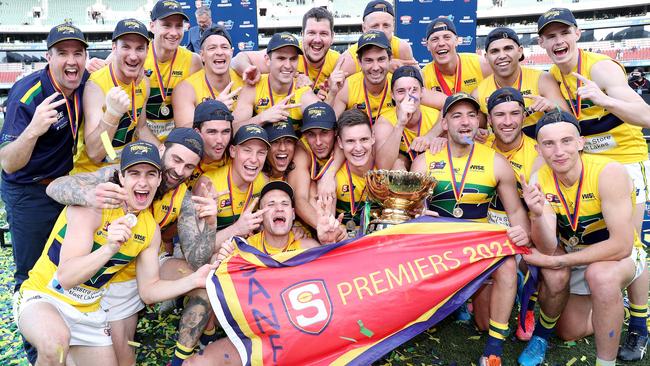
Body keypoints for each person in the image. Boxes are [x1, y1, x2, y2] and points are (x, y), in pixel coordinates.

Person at [13, 140, 216, 365]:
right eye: (134, 173)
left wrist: (193, 280)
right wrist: (109, 248)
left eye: (150, 174)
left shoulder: (150, 229)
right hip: (46, 296)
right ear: (121, 177)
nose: (143, 181)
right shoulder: (94, 206)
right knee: (55, 344)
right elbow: (66, 278)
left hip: (89, 312)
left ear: (159, 179)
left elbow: (149, 291)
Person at [537, 8, 650, 360]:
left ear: (577, 34)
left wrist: (605, 100)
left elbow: (646, 115)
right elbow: (563, 128)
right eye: (550, 36)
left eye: (563, 33)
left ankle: (639, 324)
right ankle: (600, 302)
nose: (558, 41)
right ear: (542, 42)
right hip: (588, 159)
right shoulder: (550, 78)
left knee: (629, 246)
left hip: (627, 159)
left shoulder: (600, 67)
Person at [517, 110, 647, 366]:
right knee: (568, 331)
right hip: (575, 254)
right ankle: (603, 308)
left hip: (616, 256)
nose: (559, 151)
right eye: (549, 144)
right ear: (539, 149)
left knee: (600, 276)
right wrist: (535, 215)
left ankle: (606, 360)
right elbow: (548, 246)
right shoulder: (539, 177)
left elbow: (621, 245)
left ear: (580, 143)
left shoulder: (608, 172)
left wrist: (558, 262)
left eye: (566, 141)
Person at [410, 93, 530, 365]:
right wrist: (416, 213)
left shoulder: (496, 161)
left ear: (479, 121)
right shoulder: (425, 161)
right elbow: (411, 213)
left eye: (471, 115)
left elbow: (515, 212)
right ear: (444, 123)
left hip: (478, 243)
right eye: (456, 116)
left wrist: (522, 231)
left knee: (506, 269)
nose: (465, 123)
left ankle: (493, 349)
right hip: (438, 244)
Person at [0, 23, 89, 364]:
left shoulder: (83, 80)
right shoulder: (27, 94)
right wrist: (34, 130)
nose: (71, 61)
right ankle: (38, 348)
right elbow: (8, 163)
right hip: (28, 189)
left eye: (78, 53)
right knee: (31, 268)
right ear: (47, 57)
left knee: (66, 260)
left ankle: (68, 327)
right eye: (62, 53)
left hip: (63, 184)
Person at [182, 180, 343, 366]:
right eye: (270, 205)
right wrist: (220, 264)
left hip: (301, 337)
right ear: (260, 216)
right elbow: (218, 290)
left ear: (293, 214)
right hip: (254, 340)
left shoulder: (308, 248)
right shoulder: (242, 249)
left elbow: (333, 288)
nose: (279, 209)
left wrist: (329, 245)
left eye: (285, 204)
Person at [484, 87, 544, 342]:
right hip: (485, 231)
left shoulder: (539, 153)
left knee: (539, 258)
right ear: (489, 120)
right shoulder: (477, 146)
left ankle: (527, 307)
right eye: (500, 115)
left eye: (514, 114)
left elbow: (543, 210)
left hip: (523, 226)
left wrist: (530, 237)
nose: (507, 122)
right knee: (483, 322)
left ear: (523, 117)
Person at [72, 18, 158, 174]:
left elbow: (141, 128)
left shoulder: (143, 82)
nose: (133, 56)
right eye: (126, 47)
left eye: (139, 48)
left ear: (147, 51)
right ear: (114, 48)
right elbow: (95, 154)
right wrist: (113, 114)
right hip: (91, 174)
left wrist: (163, 151)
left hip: (124, 170)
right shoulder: (95, 86)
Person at [473, 27, 569, 137]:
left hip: (539, 151)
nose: (502, 56)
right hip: (501, 153)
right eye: (495, 51)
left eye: (508, 48)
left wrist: (553, 108)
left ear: (520, 51)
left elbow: (571, 123)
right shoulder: (478, 94)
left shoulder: (542, 79)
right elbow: (473, 136)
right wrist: (476, 134)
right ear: (486, 57)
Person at [231, 7, 340, 99]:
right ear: (302, 35)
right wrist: (248, 69)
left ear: (332, 37)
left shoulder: (338, 62)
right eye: (311, 33)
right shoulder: (288, 52)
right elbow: (238, 59)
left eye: (324, 34)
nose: (317, 39)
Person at [195, 124, 269, 244]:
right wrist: (236, 229)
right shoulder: (209, 185)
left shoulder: (264, 182)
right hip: (212, 256)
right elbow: (196, 250)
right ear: (233, 151)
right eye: (247, 150)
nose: (254, 159)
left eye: (261, 153)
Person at [232, 32, 320, 132]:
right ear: (267, 60)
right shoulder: (254, 86)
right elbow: (233, 130)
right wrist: (262, 118)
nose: (288, 65)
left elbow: (325, 122)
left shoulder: (303, 90)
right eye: (281, 58)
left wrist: (332, 94)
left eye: (293, 59)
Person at [143, 0, 203, 141]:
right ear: (152, 26)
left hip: (177, 142)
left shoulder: (193, 61)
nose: (174, 33)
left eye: (179, 26)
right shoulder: (137, 57)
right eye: (167, 25)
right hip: (141, 143)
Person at [173, 25, 243, 126]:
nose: (219, 52)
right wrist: (214, 109)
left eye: (224, 47)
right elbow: (186, 134)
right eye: (212, 48)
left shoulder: (245, 81)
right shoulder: (186, 89)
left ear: (231, 52)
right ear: (202, 55)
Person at [373, 65, 440, 170]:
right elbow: (383, 166)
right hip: (400, 176)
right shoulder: (384, 122)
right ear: (393, 95)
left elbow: (464, 143)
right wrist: (400, 124)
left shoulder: (435, 117)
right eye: (401, 91)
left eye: (413, 90)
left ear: (422, 92)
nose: (408, 96)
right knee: (397, 165)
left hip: (429, 168)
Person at [328, 30, 393, 123]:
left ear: (390, 59)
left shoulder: (399, 85)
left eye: (381, 59)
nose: (375, 67)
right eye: (369, 60)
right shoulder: (347, 87)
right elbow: (329, 124)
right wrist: (332, 93)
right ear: (359, 62)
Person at [336, 0, 416, 76]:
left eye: (386, 25)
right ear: (364, 28)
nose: (381, 31)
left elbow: (417, 82)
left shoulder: (401, 48)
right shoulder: (349, 59)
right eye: (375, 26)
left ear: (393, 27)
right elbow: (336, 88)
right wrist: (385, 66)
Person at [331, 109, 378, 238]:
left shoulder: (387, 170)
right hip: (348, 247)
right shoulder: (332, 179)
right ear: (340, 142)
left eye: (364, 139)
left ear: (373, 138)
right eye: (350, 141)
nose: (358, 148)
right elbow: (328, 226)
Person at [421, 17, 491, 97]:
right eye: (434, 39)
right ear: (427, 46)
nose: (441, 43)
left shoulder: (480, 64)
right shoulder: (423, 77)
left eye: (447, 37)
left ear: (457, 41)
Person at [186, 99, 234, 190]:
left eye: (225, 132)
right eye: (212, 132)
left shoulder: (236, 159)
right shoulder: (182, 159)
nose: (220, 140)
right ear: (197, 132)